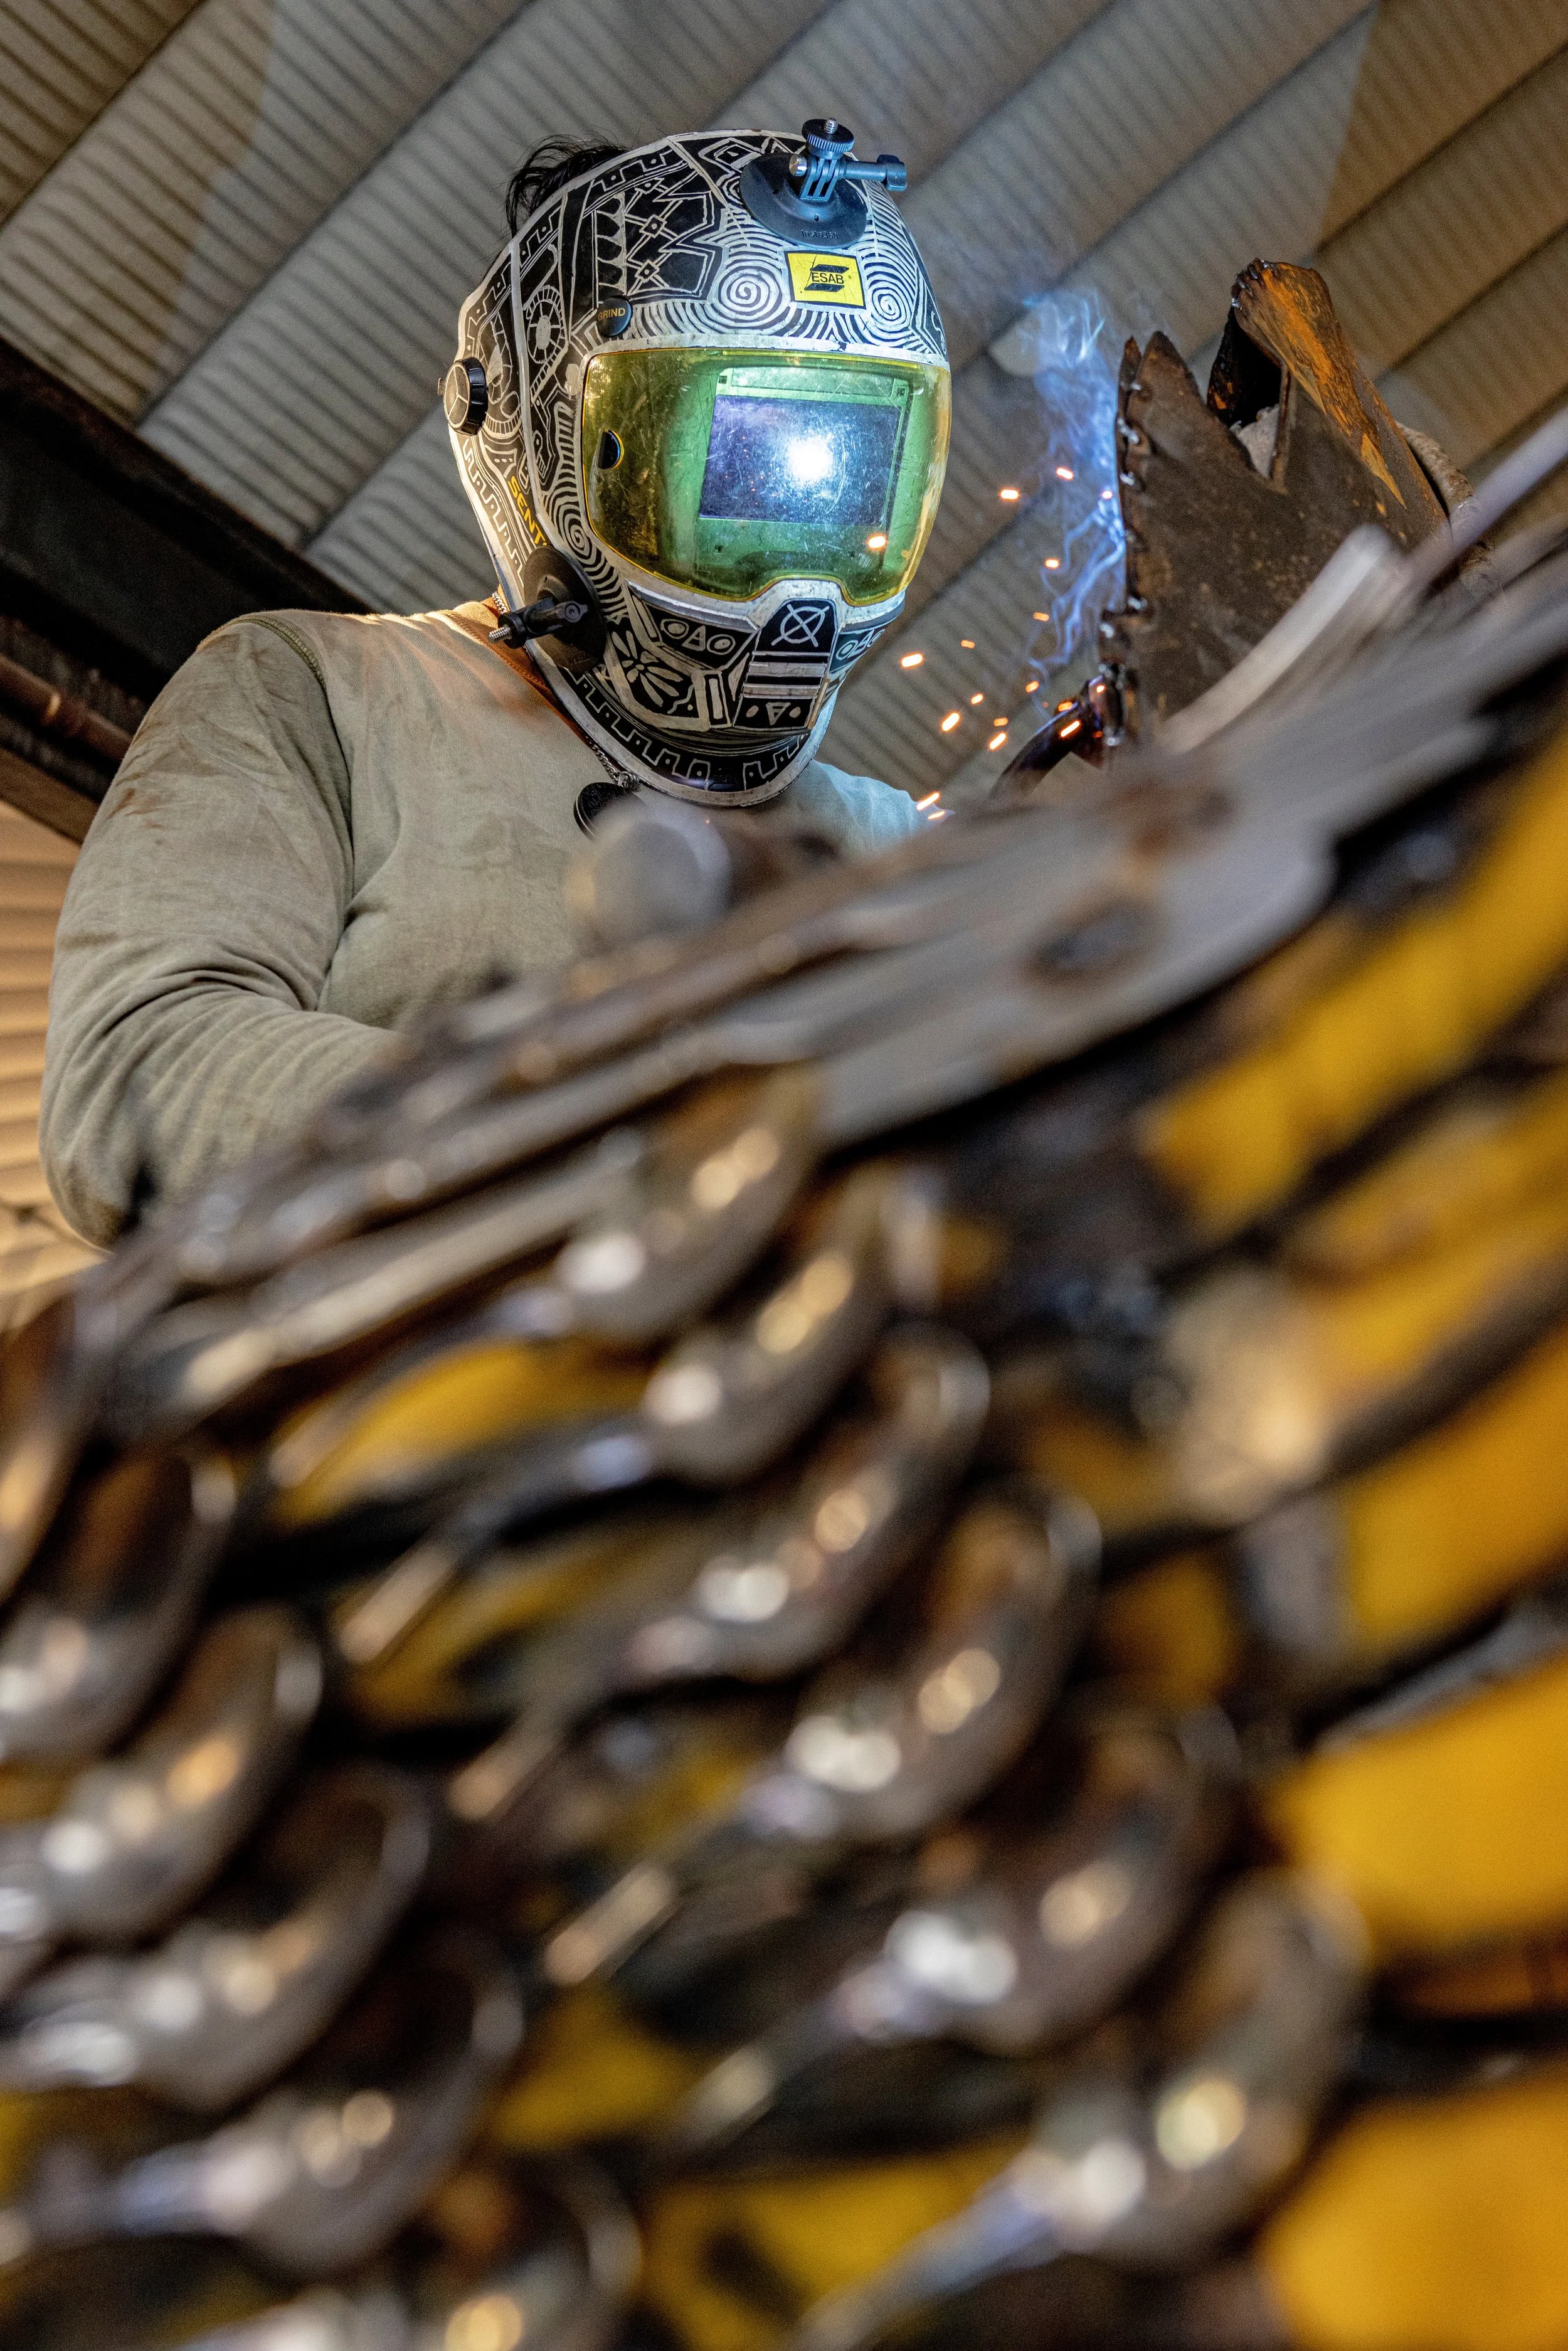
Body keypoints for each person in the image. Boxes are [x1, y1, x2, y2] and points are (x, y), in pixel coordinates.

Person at [42, 126, 952, 1247]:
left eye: (854, 460)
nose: (798, 561)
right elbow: (137, 1071)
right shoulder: (322, 691)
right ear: (542, 434)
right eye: (737, 455)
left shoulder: (902, 845)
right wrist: (603, 1129)